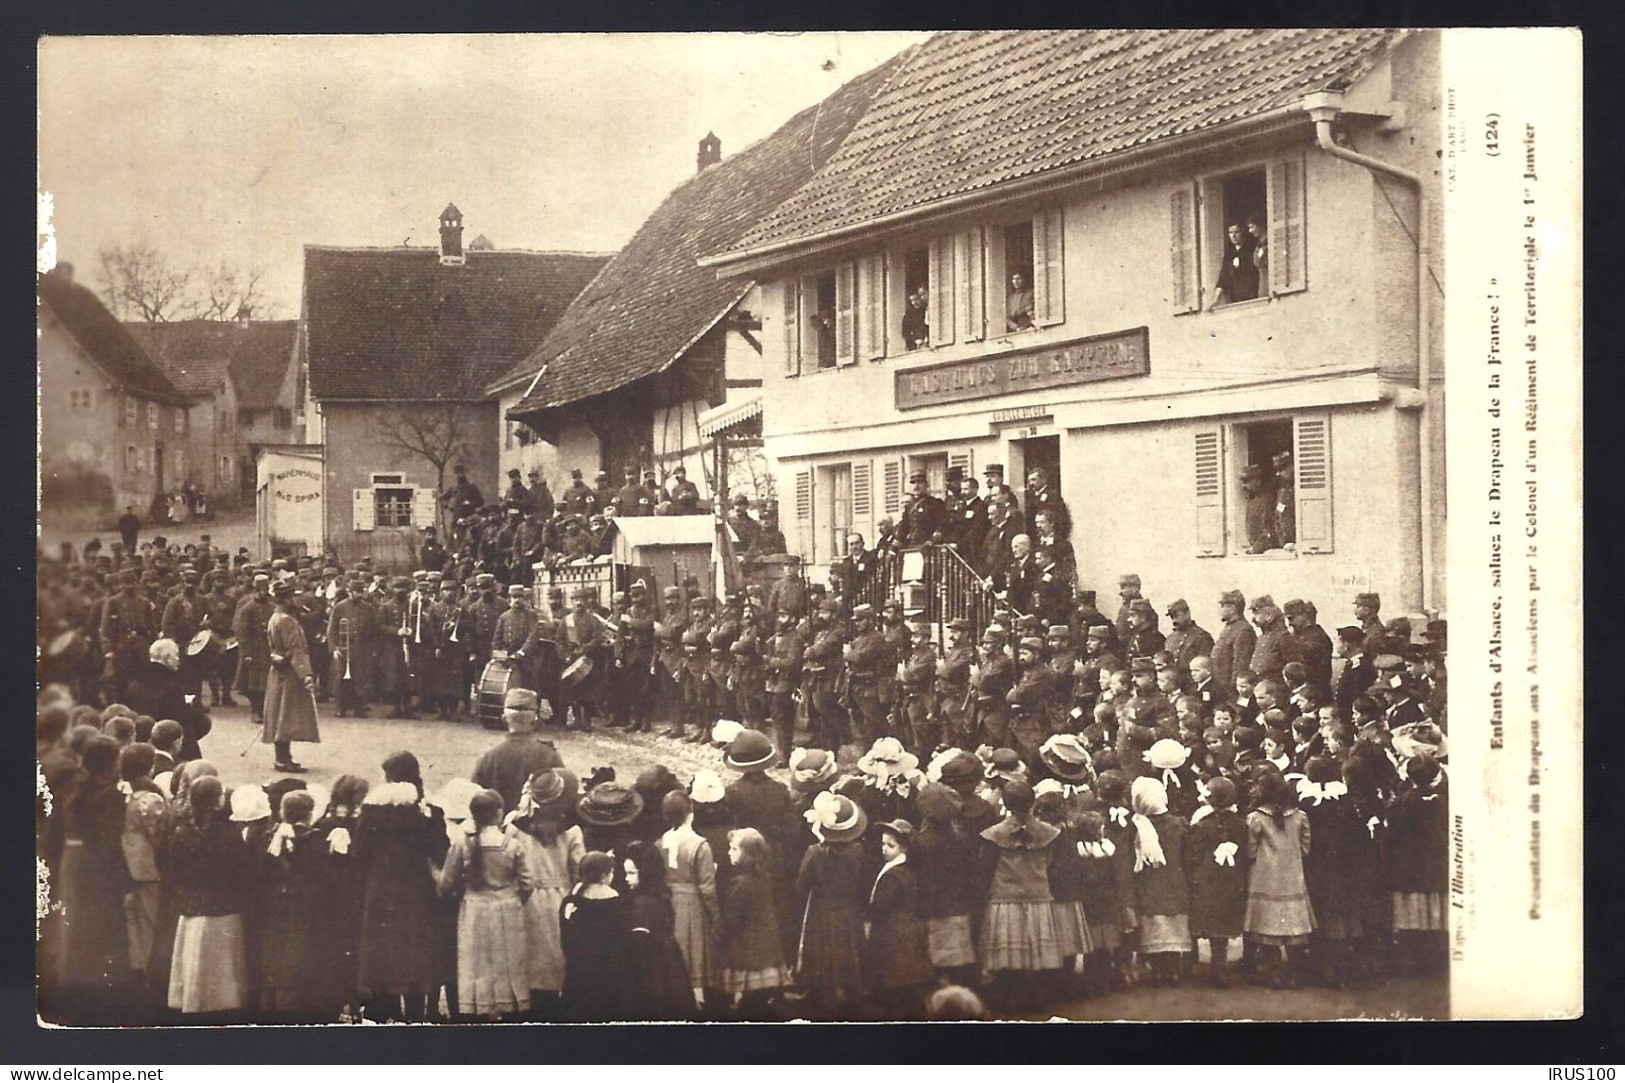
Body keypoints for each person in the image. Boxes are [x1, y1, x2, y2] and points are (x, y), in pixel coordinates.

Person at [353, 751, 452, 1022]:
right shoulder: (428, 811)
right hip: (416, 891)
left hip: (380, 891)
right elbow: (440, 851)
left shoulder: (371, 811)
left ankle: (388, 1012)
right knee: (416, 951)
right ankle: (418, 1014)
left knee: (384, 952)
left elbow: (358, 853)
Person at [436, 788, 532, 1020]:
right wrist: (514, 899)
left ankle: (476, 1009)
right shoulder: (512, 844)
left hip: (474, 910)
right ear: (499, 813)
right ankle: (507, 1008)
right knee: (507, 960)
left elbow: (447, 882)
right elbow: (528, 883)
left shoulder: (462, 843)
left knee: (475, 961)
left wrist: (432, 871)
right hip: (507, 909)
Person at [164, 774, 253, 1019]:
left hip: (193, 907)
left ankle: (195, 1003)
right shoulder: (228, 835)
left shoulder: (183, 832)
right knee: (222, 970)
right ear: (217, 801)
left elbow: (176, 872)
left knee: (194, 962)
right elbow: (243, 872)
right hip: (223, 907)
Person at [974, 778, 1062, 1012]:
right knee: (1034, 952)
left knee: (1008, 955)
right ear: (1033, 802)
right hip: (1038, 896)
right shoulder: (1049, 833)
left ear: (1005, 803)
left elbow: (986, 868)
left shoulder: (994, 834)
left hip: (1005, 899)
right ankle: (1033, 1001)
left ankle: (1007, 1001)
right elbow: (1051, 864)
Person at [506, 768, 583, 1018]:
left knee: (528, 958)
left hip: (525, 898)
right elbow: (578, 870)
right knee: (555, 958)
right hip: (561, 900)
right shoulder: (571, 831)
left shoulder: (514, 826)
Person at [795, 792, 869, 1018]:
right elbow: (862, 881)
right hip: (849, 908)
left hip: (822, 908)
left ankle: (824, 997)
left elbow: (801, 884)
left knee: (822, 951)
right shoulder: (858, 851)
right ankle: (852, 994)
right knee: (849, 948)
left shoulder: (815, 853)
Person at [1244, 770, 1316, 987]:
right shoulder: (1300, 816)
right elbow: (1305, 848)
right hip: (1292, 877)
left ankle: (1272, 972)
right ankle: (1294, 972)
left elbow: (1250, 850)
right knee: (1293, 925)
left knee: (1268, 926)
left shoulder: (1256, 818)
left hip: (1265, 877)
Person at [1122, 775, 1191, 987]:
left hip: (1148, 887)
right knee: (1172, 929)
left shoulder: (1135, 826)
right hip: (1175, 886)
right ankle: (1172, 970)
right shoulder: (1179, 824)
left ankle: (1156, 969)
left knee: (1153, 929)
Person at [620, 841, 701, 1020]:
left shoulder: (642, 902)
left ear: (646, 872)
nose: (626, 878)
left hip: (650, 963)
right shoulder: (662, 896)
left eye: (632, 873)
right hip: (670, 960)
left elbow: (639, 942)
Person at [658, 789, 720, 1014]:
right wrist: (715, 917)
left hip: (669, 901)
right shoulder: (699, 844)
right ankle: (697, 1000)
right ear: (690, 813)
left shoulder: (661, 841)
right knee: (693, 952)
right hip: (693, 903)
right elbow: (707, 887)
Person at [864, 819, 933, 1019]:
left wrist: (870, 914)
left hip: (894, 928)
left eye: (890, 845)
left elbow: (881, 905)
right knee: (907, 972)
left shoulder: (894, 875)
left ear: (904, 848)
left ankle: (898, 1012)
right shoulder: (905, 870)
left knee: (895, 971)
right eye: (883, 844)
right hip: (909, 925)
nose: (884, 849)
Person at [1183, 775, 1248, 987]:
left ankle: (1189, 963)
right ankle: (1219, 968)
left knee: (1201, 920)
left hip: (1205, 882)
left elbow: (1192, 857)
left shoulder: (1201, 826)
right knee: (1221, 928)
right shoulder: (1240, 825)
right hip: (1229, 881)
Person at [718, 827, 789, 1019]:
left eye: (733, 849)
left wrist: (718, 936)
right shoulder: (763, 878)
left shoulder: (740, 883)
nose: (728, 852)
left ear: (747, 854)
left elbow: (732, 920)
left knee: (750, 1006)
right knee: (757, 1001)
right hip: (767, 950)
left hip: (748, 953)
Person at [559, 851, 633, 1021]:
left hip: (577, 973)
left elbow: (566, 939)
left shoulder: (571, 901)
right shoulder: (617, 901)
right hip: (609, 975)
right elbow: (623, 941)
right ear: (603, 876)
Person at [471, 688, 563, 815]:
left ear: (504, 718)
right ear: (535, 719)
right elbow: (563, 798)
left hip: (498, 829)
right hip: (536, 831)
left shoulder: (488, 757)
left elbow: (476, 800)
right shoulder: (549, 756)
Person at [262, 580, 320, 773]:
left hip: (278, 672)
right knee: (286, 716)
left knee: (280, 714)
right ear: (286, 599)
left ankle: (284, 757)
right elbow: (296, 650)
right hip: (290, 673)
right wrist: (307, 675)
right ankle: (282, 760)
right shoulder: (287, 620)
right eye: (293, 596)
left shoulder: (274, 617)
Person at [1207, 222, 1259, 309]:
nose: (1233, 236)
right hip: (1235, 298)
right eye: (1230, 233)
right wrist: (1215, 300)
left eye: (1236, 232)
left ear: (1242, 233)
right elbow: (1223, 278)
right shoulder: (1229, 255)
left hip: (1251, 295)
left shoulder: (1251, 250)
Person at [895, 471, 946, 547]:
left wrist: (933, 540)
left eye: (919, 483)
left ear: (926, 485)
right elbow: (904, 527)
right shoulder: (909, 506)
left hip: (930, 547)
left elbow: (941, 525)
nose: (916, 486)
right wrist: (894, 547)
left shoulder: (935, 503)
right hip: (913, 546)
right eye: (913, 483)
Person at [901, 284, 929, 350]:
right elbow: (905, 332)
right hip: (915, 345)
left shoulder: (926, 310)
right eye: (912, 301)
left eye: (916, 299)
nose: (914, 303)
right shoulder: (909, 314)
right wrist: (914, 341)